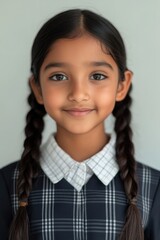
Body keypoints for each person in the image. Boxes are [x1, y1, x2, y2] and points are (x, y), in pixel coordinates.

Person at [0, 8, 159, 240]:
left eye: (97, 76)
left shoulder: (153, 188)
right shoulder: (6, 186)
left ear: (122, 85)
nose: (78, 93)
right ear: (37, 88)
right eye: (59, 77)